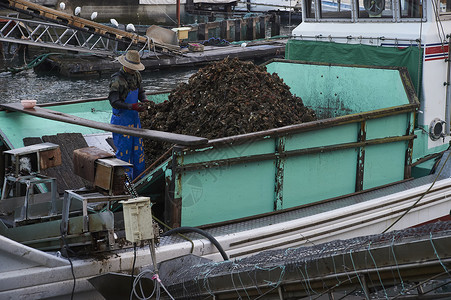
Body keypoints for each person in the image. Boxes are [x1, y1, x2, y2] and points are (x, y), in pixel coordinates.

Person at [108, 50, 147, 180]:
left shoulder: (136, 76)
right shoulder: (117, 80)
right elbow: (114, 102)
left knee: (138, 152)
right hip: (121, 121)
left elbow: (140, 91)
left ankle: (139, 180)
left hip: (135, 120)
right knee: (124, 153)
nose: (133, 70)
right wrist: (132, 106)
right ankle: (124, 183)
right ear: (126, 65)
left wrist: (144, 101)